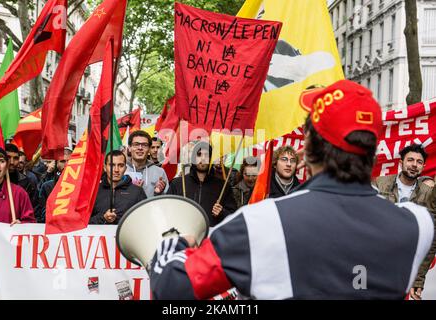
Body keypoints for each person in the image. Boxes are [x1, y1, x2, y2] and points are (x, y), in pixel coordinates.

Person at [149, 80, 434, 300]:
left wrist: (175, 244)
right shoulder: (417, 224)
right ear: (374, 149)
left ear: (307, 148)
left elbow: (172, 286)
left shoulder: (261, 221)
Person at [373, 144, 436, 300]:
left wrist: (418, 279)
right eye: (410, 160)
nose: (414, 165)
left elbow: (430, 240)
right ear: (401, 163)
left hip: (404, 267)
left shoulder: (428, 194)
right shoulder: (380, 184)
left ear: (423, 167)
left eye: (419, 162)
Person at [0, 146, 36, 300]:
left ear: (7, 166)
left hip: (9, 260)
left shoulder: (19, 194)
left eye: (2, 161)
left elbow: (31, 224)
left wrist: (22, 226)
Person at [166, 141, 237, 227]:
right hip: (185, 234)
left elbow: (233, 216)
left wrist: (222, 213)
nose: (203, 158)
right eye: (199, 154)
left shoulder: (222, 186)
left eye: (206, 155)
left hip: (211, 236)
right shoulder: (178, 184)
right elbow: (167, 211)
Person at [90, 150, 147, 224]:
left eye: (121, 165)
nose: (116, 170)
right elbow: (82, 223)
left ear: (125, 168)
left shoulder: (137, 192)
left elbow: (145, 220)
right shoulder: (94, 192)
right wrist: (103, 218)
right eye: (112, 165)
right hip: (99, 235)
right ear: (104, 167)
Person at [125, 130, 169, 197]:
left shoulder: (160, 172)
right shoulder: (121, 170)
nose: (140, 148)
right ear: (129, 148)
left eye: (144, 145)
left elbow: (166, 200)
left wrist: (158, 194)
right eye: (136, 144)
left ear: (149, 149)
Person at [5, 144, 38, 213]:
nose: (12, 162)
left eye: (15, 158)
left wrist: (22, 221)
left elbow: (32, 209)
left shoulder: (27, 182)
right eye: (8, 157)